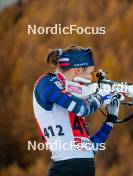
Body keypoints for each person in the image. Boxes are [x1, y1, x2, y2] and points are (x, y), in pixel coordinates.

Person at [33, 45, 120, 176]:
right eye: (91, 73)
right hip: (66, 166)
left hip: (79, 166)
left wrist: (111, 119)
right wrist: (101, 97)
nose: (92, 78)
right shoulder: (46, 83)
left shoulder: (71, 98)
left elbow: (89, 151)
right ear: (77, 70)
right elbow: (82, 109)